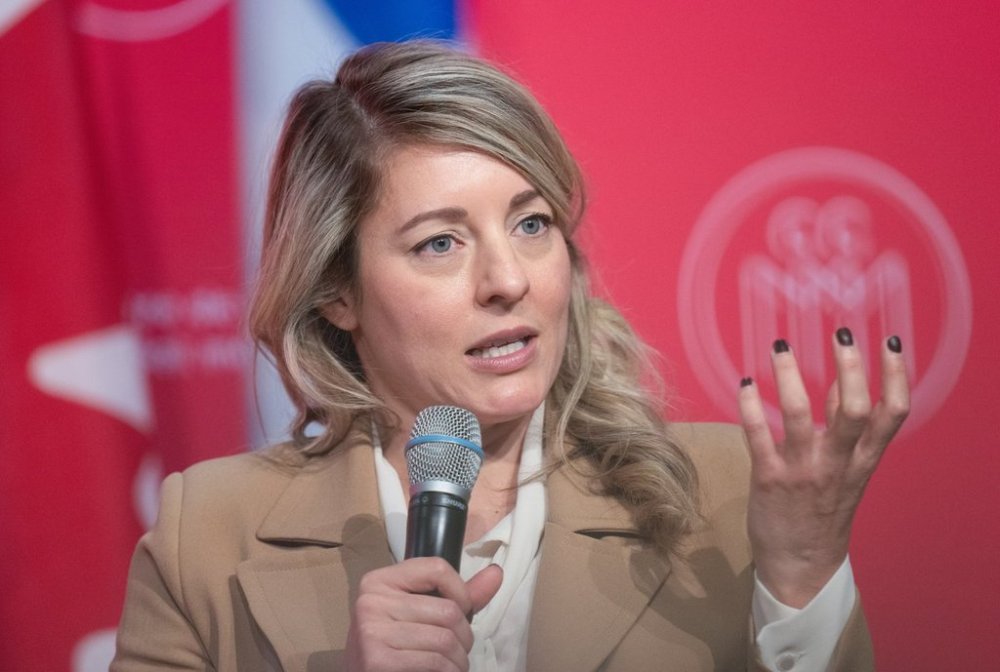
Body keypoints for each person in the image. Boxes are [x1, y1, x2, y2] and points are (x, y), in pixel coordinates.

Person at [111, 40, 909, 672]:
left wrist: (801, 578)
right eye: (440, 243)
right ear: (336, 292)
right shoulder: (205, 536)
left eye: (531, 224)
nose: (507, 280)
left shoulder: (730, 495)